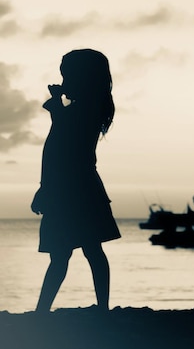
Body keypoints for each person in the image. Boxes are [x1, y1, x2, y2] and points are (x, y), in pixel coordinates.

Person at [31, 49, 121, 312]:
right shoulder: (88, 108)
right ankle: (49, 309)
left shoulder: (86, 110)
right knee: (80, 251)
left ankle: (45, 311)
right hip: (74, 187)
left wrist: (45, 188)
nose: (64, 80)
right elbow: (56, 148)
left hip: (72, 188)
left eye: (67, 76)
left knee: (72, 253)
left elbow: (60, 149)